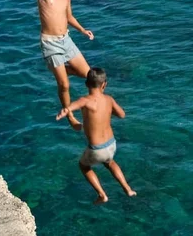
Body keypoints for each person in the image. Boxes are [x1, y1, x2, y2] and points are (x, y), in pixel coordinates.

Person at [0, 0, 93, 130]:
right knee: (64, 85)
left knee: (89, 75)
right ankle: (69, 115)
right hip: (51, 43)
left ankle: (60, 70)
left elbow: (69, 17)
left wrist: (83, 30)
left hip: (66, 40)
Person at [56, 68, 137, 204]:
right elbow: (122, 115)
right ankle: (127, 189)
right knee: (110, 162)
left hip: (97, 150)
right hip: (111, 145)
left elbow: (75, 105)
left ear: (86, 84)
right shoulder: (109, 99)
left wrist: (66, 110)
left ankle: (102, 195)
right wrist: (108, 111)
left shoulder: (86, 100)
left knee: (84, 166)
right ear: (104, 84)